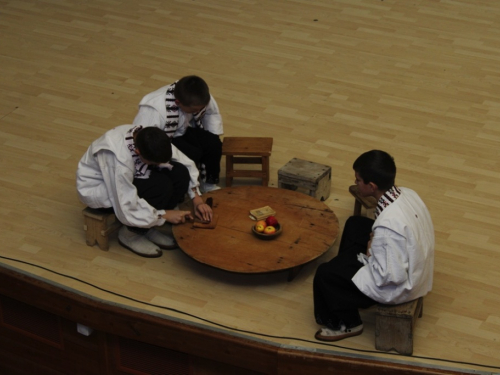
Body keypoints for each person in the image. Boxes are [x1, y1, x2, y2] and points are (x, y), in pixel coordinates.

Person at [313, 150, 434, 341]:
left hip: (399, 285)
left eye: (358, 180)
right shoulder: (407, 193)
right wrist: (374, 241)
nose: (356, 183)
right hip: (409, 258)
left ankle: (349, 323)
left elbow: (390, 276)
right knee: (355, 224)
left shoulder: (388, 228)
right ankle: (343, 281)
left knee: (325, 274)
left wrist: (370, 252)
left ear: (371, 186)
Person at [76, 125, 213, 258]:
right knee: (161, 186)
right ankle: (130, 234)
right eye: (153, 162)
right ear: (138, 152)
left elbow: (185, 162)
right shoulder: (118, 159)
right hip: (102, 190)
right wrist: (163, 215)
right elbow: (125, 206)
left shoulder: (149, 137)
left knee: (180, 172)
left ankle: (148, 225)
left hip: (131, 174)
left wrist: (197, 199)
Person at [132, 75, 223, 193]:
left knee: (213, 144)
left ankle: (209, 183)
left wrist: (211, 136)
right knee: (193, 154)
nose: (197, 112)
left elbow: (211, 114)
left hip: (182, 131)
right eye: (194, 110)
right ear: (177, 102)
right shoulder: (153, 111)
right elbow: (145, 141)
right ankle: (188, 188)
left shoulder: (199, 95)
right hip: (162, 141)